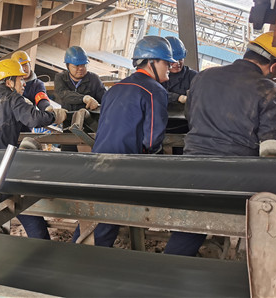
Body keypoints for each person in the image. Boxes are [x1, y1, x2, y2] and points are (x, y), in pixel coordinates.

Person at [164, 31, 276, 257]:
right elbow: (270, 146)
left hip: (191, 164)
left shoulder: (203, 76)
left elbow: (190, 117)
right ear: (274, 67)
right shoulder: (269, 89)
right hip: (236, 175)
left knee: (191, 225)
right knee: (257, 225)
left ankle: (169, 268)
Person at [71, 36, 175, 247]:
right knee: (107, 221)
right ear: (151, 62)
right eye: (166, 62)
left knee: (92, 217)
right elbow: (152, 138)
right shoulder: (155, 91)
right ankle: (86, 263)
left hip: (98, 160)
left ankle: (73, 254)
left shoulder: (116, 88)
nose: (170, 68)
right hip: (124, 166)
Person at [0, 59, 66, 239]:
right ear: (9, 82)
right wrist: (53, 116)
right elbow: (34, 119)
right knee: (23, 200)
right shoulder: (12, 98)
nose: (24, 83)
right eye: (20, 79)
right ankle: (41, 240)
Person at [54, 46, 106, 152]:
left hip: (89, 130)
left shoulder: (94, 79)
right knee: (67, 156)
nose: (81, 68)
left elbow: (105, 100)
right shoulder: (61, 78)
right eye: (76, 66)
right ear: (68, 65)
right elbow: (64, 94)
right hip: (68, 127)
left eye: (83, 65)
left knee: (87, 157)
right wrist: (84, 98)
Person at [11, 50, 52, 132]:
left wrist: (47, 108)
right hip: (10, 125)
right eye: (20, 66)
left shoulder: (37, 84)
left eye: (26, 65)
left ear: (30, 65)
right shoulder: (10, 82)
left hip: (26, 125)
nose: (24, 69)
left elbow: (41, 99)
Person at [161, 36, 198, 105]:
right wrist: (177, 97)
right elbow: (154, 92)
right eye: (173, 60)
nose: (177, 63)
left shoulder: (193, 77)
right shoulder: (156, 75)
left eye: (180, 59)